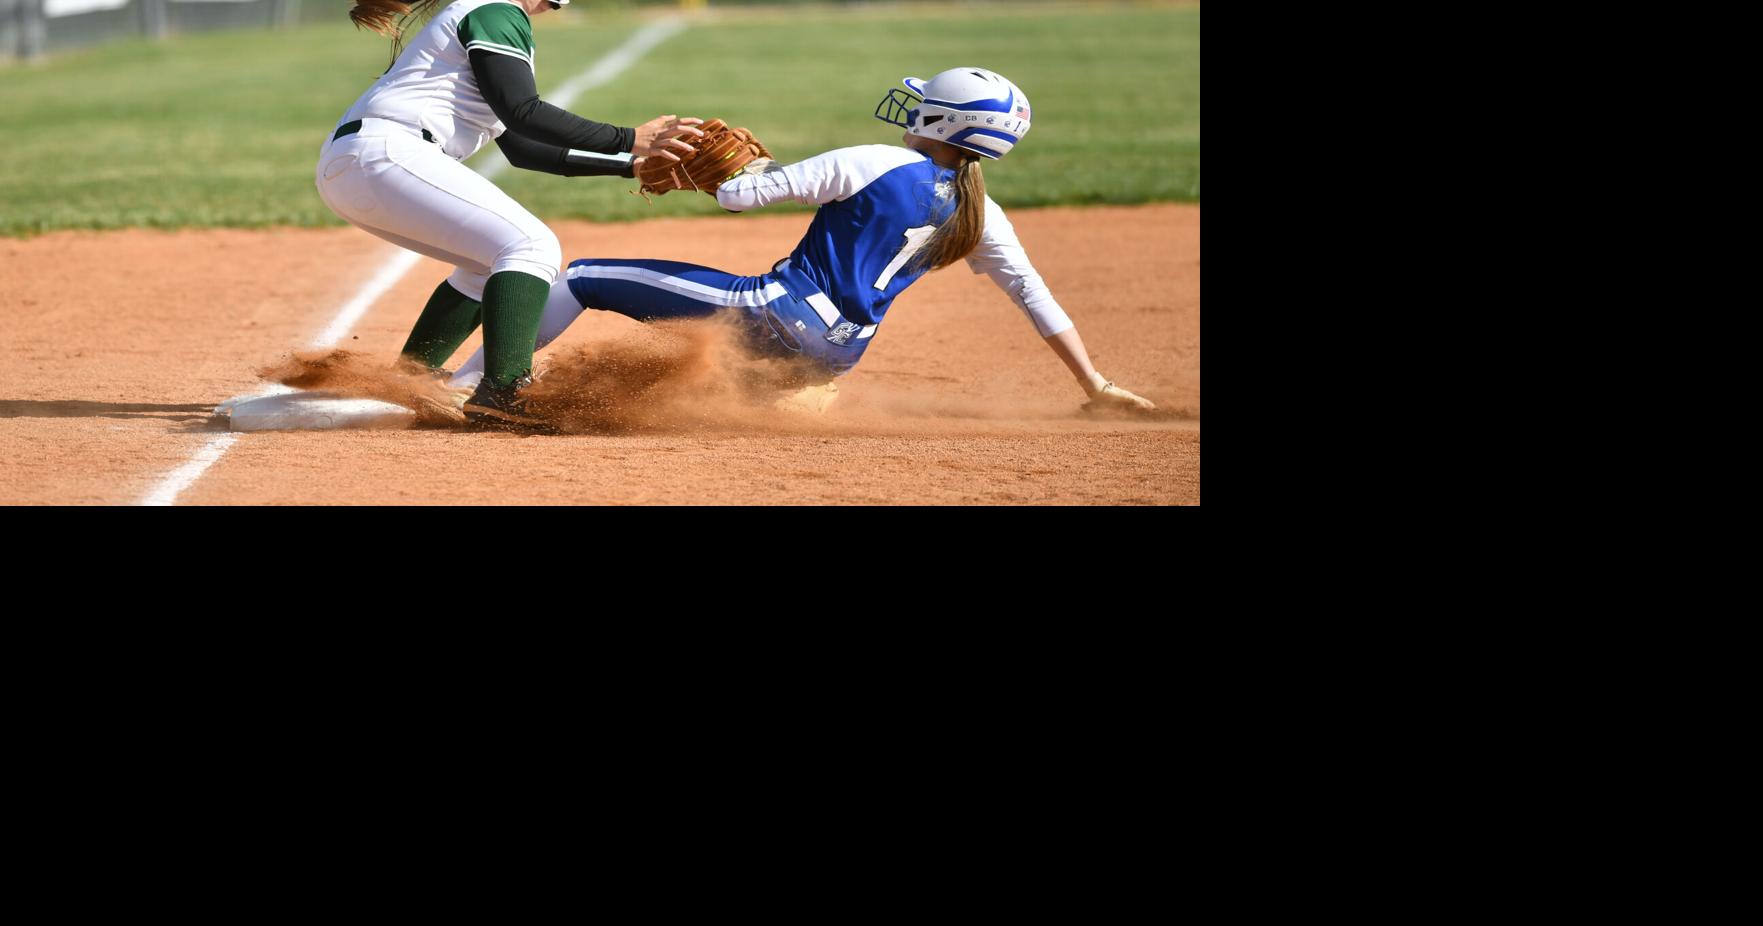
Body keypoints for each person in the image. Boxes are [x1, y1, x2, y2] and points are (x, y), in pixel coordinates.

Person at [448, 66, 1155, 416]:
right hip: (833, 359)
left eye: (922, 104)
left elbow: (735, 194)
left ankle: (472, 388)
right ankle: (581, 410)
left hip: (772, 315)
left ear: (940, 121)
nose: (908, 108)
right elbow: (1033, 294)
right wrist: (1093, 385)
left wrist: (738, 168)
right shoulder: (979, 211)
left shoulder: (877, 159)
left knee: (581, 275)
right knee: (708, 366)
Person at [318, 0, 702, 428]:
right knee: (531, 246)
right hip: (386, 154)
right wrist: (630, 138)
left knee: (490, 265)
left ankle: (412, 377)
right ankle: (504, 390)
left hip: (365, 162)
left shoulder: (489, 12)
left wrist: (630, 165)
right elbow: (525, 111)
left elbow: (520, 145)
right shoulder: (496, 10)